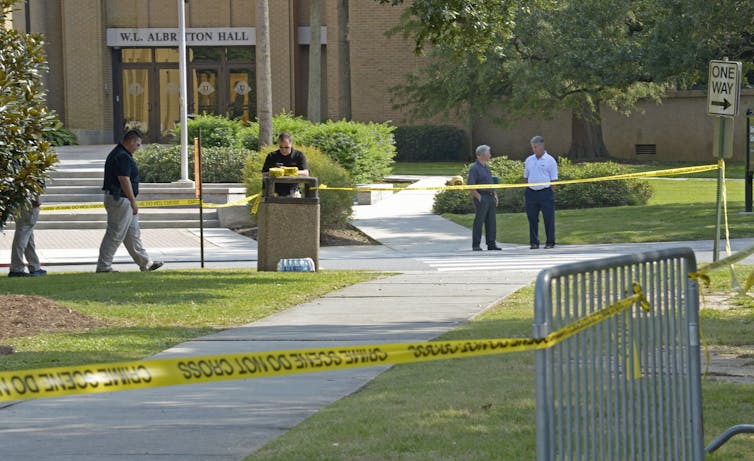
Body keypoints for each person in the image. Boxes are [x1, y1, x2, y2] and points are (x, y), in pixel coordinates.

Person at [96, 130, 163, 273]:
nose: (138, 148)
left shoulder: (120, 153)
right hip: (120, 199)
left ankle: (146, 263)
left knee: (133, 234)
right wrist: (133, 201)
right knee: (115, 233)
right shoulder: (122, 156)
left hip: (122, 199)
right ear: (131, 141)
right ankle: (104, 266)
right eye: (138, 145)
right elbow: (124, 179)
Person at [524, 135, 558, 249]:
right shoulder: (529, 160)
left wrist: (550, 193)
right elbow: (526, 177)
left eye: (536, 147)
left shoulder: (550, 160)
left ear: (542, 146)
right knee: (532, 218)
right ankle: (534, 242)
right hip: (531, 193)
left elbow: (554, 180)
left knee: (548, 218)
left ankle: (550, 242)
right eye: (532, 147)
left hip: (546, 192)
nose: (534, 149)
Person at [467, 144, 501, 251]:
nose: (490, 155)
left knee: (491, 221)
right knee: (479, 221)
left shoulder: (486, 168)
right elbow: (471, 185)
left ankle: (491, 244)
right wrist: (478, 197)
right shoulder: (474, 168)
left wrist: (495, 195)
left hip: (490, 196)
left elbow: (490, 183)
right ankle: (476, 244)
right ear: (481, 155)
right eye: (488, 153)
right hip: (482, 197)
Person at [261, 132, 310, 197]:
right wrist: (276, 172)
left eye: (286, 147)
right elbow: (264, 173)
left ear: (291, 144)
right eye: (281, 147)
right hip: (274, 192)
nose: (283, 150)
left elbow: (306, 173)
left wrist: (288, 171)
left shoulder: (299, 155)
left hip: (292, 191)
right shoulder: (272, 156)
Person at [8, 195, 46, 277]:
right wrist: (36, 200)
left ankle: (34, 266)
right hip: (27, 205)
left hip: (22, 203)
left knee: (28, 238)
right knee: (22, 236)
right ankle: (16, 268)